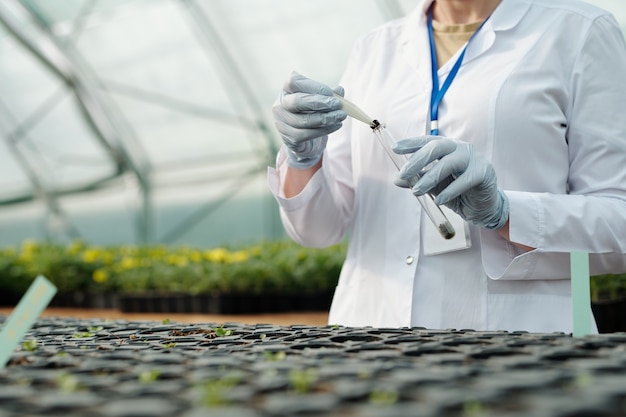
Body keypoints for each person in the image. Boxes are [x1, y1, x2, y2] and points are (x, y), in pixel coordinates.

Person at [268, 0, 626, 332]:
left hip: (514, 345)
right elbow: (318, 231)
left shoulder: (580, 32)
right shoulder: (375, 48)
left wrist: (506, 214)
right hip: (369, 336)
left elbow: (619, 220)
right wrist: (305, 160)